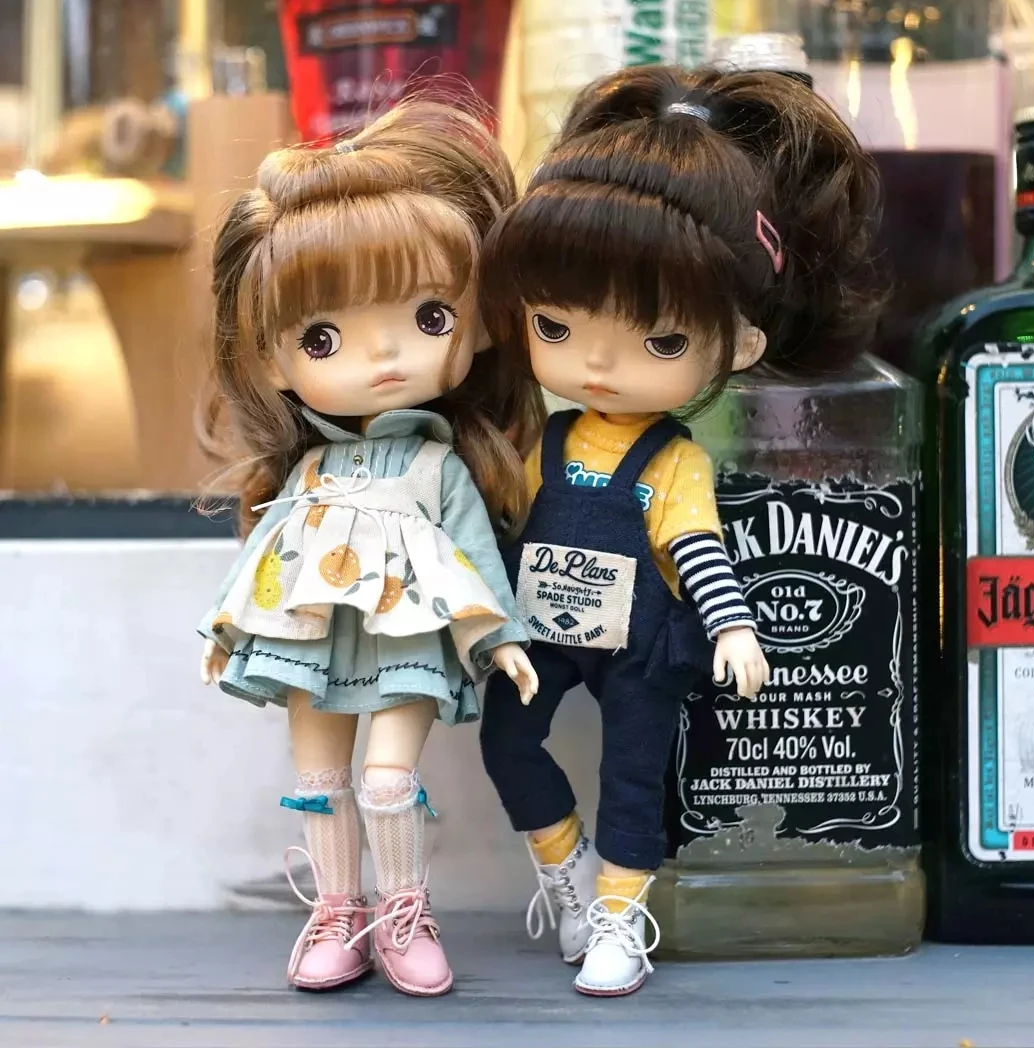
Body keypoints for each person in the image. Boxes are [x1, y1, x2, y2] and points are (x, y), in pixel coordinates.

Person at [477, 64, 885, 996]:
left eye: (660, 341)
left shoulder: (673, 461)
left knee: (634, 774)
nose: (597, 364)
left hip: (642, 641)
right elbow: (513, 524)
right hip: (544, 625)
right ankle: (566, 870)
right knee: (507, 742)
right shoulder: (549, 438)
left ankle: (620, 914)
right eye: (555, 326)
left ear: (738, 345)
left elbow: (696, 546)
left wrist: (733, 626)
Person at [197, 98, 542, 997]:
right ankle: (337, 910)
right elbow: (267, 557)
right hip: (307, 636)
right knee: (320, 779)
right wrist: (225, 629)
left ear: (478, 321)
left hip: (405, 645)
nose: (383, 356)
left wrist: (499, 638)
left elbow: (472, 555)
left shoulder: (437, 467)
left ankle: (404, 911)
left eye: (430, 317)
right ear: (272, 359)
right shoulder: (307, 472)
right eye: (324, 338)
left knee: (388, 779)